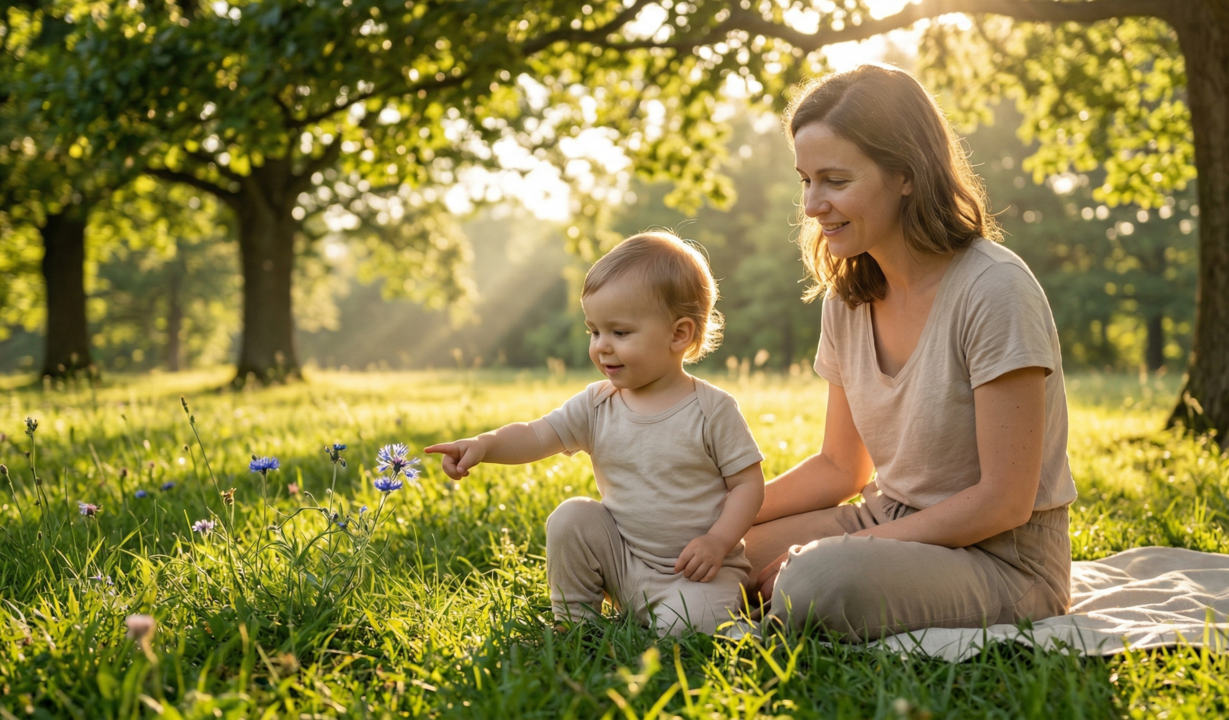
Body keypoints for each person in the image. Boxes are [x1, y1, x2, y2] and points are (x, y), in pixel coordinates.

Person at [745, 64, 1077, 642]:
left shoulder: (995, 289)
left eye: (835, 180)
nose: (812, 205)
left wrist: (837, 550)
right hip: (884, 518)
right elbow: (840, 468)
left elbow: (1003, 503)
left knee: (817, 578)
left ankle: (819, 571)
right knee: (703, 556)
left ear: (905, 175)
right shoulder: (846, 298)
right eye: (806, 180)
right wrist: (718, 517)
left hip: (1003, 561)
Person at [427, 232, 765, 635]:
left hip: (696, 572)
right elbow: (537, 435)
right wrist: (484, 445)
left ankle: (734, 633)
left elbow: (748, 484)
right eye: (594, 331)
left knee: (690, 626)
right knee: (571, 517)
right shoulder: (597, 403)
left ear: (679, 334)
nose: (602, 347)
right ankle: (575, 623)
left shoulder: (712, 409)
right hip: (624, 563)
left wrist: (718, 541)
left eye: (619, 333)